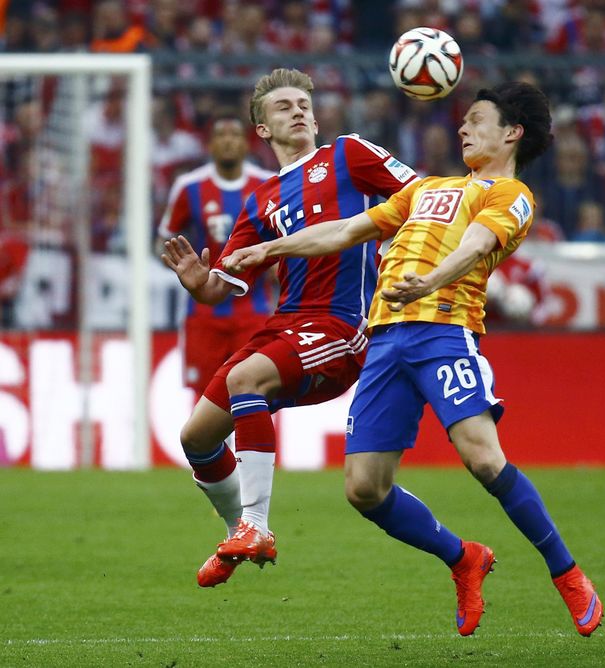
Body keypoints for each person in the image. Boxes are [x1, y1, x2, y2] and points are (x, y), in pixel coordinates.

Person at [222, 81, 604, 638]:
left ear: (511, 133)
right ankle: (464, 558)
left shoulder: (510, 196)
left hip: (444, 333)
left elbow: (474, 247)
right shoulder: (429, 190)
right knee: (363, 489)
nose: (463, 128)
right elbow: (347, 230)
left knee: (483, 458)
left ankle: (567, 574)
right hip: (384, 340)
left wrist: (429, 280)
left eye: (476, 119)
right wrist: (270, 248)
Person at [160, 68, 417, 588]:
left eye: (304, 103)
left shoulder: (349, 154)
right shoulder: (261, 199)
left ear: (316, 117)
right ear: (263, 130)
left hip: (342, 326)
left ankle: (255, 524)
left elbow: (429, 198)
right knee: (197, 438)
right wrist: (197, 282)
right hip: (286, 324)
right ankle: (241, 531)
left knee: (244, 380)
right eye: (283, 107)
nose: (298, 111)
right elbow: (220, 286)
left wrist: (404, 248)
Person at [157, 109, 276, 401]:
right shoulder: (189, 187)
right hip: (203, 313)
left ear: (246, 144)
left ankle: (250, 449)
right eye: (220, 135)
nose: (227, 141)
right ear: (209, 145)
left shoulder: (268, 184)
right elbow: (165, 238)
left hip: (254, 310)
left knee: (255, 393)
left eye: (234, 135)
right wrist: (186, 264)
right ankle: (209, 449)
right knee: (204, 397)